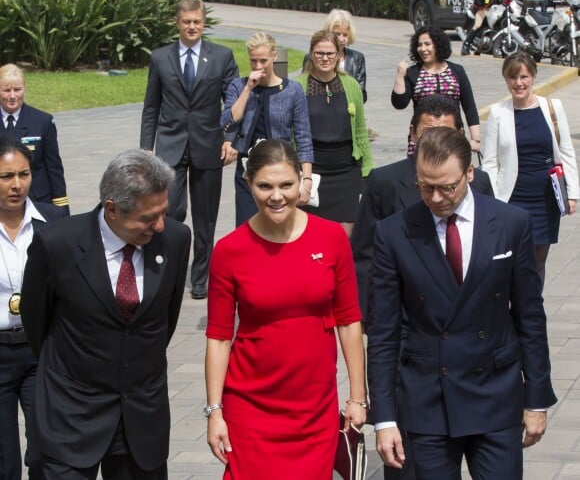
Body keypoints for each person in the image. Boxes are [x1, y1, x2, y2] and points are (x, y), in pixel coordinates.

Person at [367, 126, 557, 480]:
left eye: (447, 187)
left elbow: (530, 317)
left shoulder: (511, 223)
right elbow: (383, 334)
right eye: (425, 186)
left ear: (470, 172)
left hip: (496, 394)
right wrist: (385, 417)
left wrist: (536, 397)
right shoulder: (394, 233)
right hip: (427, 399)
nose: (436, 197)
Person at [20, 149, 192, 480]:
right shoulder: (58, 244)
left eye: (163, 213)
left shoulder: (174, 239)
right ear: (111, 209)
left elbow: (163, 321)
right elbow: (35, 319)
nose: (158, 226)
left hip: (141, 419)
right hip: (71, 415)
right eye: (146, 218)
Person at [205, 139, 366, 478]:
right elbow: (219, 337)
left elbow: (349, 321)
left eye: (286, 185)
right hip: (250, 408)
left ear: (303, 182)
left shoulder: (331, 238)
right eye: (264, 186)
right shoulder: (229, 250)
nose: (276, 196)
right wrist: (215, 411)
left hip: (314, 408)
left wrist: (356, 396)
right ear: (249, 185)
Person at [352, 95, 493, 325]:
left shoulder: (478, 182)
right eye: (427, 133)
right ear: (413, 132)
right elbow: (364, 255)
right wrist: (369, 318)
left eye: (445, 133)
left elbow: (490, 246)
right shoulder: (385, 182)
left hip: (468, 319)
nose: (435, 141)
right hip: (407, 321)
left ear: (460, 133)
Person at [140, 0, 239, 300]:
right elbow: (151, 105)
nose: (192, 27)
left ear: (203, 23)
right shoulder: (160, 58)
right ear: (177, 23)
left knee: (206, 218)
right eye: (187, 22)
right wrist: (147, 148)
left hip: (208, 145)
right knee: (171, 211)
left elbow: (235, 102)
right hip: (171, 146)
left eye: (197, 22)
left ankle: (200, 278)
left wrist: (231, 139)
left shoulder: (221, 57)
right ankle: (168, 271)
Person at [0, 138, 66, 480]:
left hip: (39, 351)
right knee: (4, 461)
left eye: (23, 174)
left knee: (44, 451)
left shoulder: (53, 220)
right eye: (6, 176)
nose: (16, 185)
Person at [482, 52, 579, 287]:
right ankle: (512, 311)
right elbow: (490, 163)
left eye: (524, 76)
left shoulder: (552, 107)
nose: (519, 83)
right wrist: (492, 200)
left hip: (545, 198)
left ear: (533, 77)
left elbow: (566, 151)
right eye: (513, 77)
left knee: (538, 261)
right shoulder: (498, 113)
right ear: (506, 79)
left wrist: (573, 192)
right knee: (512, 260)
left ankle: (532, 313)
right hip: (512, 198)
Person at [221, 32, 313, 226]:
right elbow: (228, 122)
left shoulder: (292, 91)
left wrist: (306, 179)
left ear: (274, 56)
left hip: (281, 167)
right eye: (253, 60)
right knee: (247, 226)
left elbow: (303, 138)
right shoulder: (238, 86)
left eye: (263, 60)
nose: (258, 66)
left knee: (280, 225)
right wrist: (248, 89)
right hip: (248, 168)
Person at [297, 30, 373, 237]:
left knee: (344, 238)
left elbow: (359, 130)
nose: (325, 58)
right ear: (311, 54)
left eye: (330, 53)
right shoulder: (298, 87)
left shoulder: (351, 85)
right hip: (312, 171)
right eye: (319, 53)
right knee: (312, 236)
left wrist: (367, 170)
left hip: (346, 172)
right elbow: (294, 135)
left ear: (339, 55)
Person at [392, 25, 481, 155]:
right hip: (423, 140)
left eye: (427, 44)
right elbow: (399, 103)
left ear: (438, 45)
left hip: (453, 139)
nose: (423, 49)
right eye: (419, 45)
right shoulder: (413, 72)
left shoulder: (457, 71)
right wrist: (400, 76)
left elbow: (469, 107)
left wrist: (476, 139)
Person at [0, 64, 69, 213]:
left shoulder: (42, 121)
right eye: (6, 90)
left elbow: (54, 168)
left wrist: (61, 208)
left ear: (24, 88)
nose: (12, 96)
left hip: (37, 201)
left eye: (17, 89)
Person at [322, 9, 368, 102]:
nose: (341, 39)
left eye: (345, 35)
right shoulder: (314, 57)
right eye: (337, 34)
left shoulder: (357, 59)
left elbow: (362, 94)